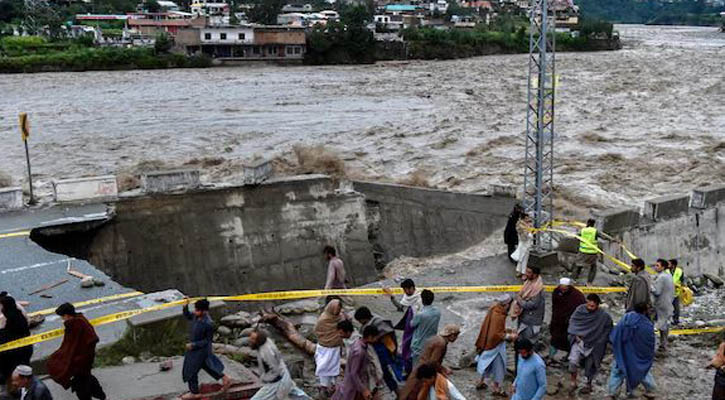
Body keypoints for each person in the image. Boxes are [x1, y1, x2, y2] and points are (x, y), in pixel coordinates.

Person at [47, 303, 106, 400]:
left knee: (82, 387)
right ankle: (100, 395)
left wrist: (77, 360)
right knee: (87, 380)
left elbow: (88, 341)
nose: (63, 319)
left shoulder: (76, 325)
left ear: (66, 315)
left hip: (81, 363)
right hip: (82, 363)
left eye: (63, 317)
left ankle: (99, 395)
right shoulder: (78, 322)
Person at [181, 299, 231, 398]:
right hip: (195, 350)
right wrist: (185, 306)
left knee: (191, 369)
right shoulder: (196, 316)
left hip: (200, 350)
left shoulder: (208, 324)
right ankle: (225, 378)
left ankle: (194, 393)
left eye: (197, 310)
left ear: (204, 311)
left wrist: (194, 345)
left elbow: (207, 341)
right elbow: (187, 315)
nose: (195, 312)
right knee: (207, 366)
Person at [607, 302, 657, 399]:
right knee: (642, 371)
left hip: (622, 352)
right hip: (637, 356)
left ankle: (612, 393)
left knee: (617, 370)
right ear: (645, 311)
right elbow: (649, 344)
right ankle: (651, 390)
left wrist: (617, 346)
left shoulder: (626, 318)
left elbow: (616, 333)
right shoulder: (647, 325)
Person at [566, 294, 613, 395]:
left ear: (597, 305)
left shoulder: (603, 316)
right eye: (588, 305)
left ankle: (588, 384)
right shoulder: (580, 310)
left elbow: (608, 327)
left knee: (590, 366)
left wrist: (601, 340)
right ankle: (573, 382)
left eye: (592, 306)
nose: (589, 307)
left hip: (594, 345)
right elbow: (573, 322)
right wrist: (575, 334)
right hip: (579, 342)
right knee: (572, 362)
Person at [400, 324, 461, 399]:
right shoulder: (441, 344)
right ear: (451, 335)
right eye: (456, 336)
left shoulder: (435, 338)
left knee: (409, 389)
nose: (456, 338)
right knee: (416, 392)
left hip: (419, 367)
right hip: (425, 372)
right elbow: (433, 362)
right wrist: (443, 370)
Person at [354, 307, 404, 394]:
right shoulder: (368, 324)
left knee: (384, 371)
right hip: (374, 351)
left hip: (382, 351)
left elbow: (387, 336)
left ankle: (397, 391)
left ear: (364, 318)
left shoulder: (379, 323)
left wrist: (376, 339)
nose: (360, 323)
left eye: (360, 320)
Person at [475, 294, 516, 397]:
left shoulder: (493, 309)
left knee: (484, 362)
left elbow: (494, 329)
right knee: (499, 366)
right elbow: (497, 334)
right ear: (507, 305)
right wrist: (509, 336)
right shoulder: (499, 316)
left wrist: (505, 331)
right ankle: (496, 388)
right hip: (495, 345)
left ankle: (480, 382)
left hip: (486, 342)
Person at [250, 329, 309, 400]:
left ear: (258, 341)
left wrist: (266, 380)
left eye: (253, 339)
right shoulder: (267, 341)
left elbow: (275, 371)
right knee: (296, 394)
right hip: (284, 373)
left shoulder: (266, 352)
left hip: (277, 381)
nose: (250, 340)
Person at [385, 279, 423, 373]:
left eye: (407, 289)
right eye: (404, 290)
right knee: (406, 347)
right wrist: (392, 296)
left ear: (412, 288)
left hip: (417, 327)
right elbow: (400, 307)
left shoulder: (420, 298)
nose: (405, 292)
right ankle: (408, 368)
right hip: (408, 327)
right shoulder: (407, 298)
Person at [314, 300, 350, 396]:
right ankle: (324, 387)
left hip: (335, 348)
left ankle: (333, 386)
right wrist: (327, 338)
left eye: (339, 309)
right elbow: (317, 331)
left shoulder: (340, 317)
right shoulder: (323, 320)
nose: (337, 311)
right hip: (324, 348)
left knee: (334, 367)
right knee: (323, 367)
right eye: (336, 309)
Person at [332, 325, 377, 400]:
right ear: (370, 337)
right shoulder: (359, 352)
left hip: (355, 383)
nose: (376, 340)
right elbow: (354, 373)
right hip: (353, 386)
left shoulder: (359, 344)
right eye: (375, 337)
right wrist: (364, 390)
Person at [549, 277, 586, 357]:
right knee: (555, 339)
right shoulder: (556, 292)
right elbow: (555, 306)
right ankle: (551, 356)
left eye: (564, 289)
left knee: (569, 341)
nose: (563, 291)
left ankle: (568, 356)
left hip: (569, 323)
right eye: (561, 289)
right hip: (557, 322)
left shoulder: (576, 295)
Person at [0, 296, 33, 384]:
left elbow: (8, 335)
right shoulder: (18, 314)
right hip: (24, 349)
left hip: (15, 353)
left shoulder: (10, 319)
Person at [510, 267, 545, 346]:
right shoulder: (528, 283)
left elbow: (532, 304)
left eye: (529, 272)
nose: (526, 274)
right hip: (524, 318)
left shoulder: (537, 288)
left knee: (529, 343)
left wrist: (519, 300)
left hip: (531, 322)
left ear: (535, 275)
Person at [409, 290, 440, 368]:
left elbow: (411, 324)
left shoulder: (420, 314)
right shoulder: (437, 312)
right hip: (431, 343)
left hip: (418, 345)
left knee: (416, 368)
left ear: (422, 300)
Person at [652, 259, 674, 352]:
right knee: (664, 324)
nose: (655, 267)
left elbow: (657, 291)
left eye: (657, 265)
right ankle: (663, 344)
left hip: (661, 303)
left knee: (659, 325)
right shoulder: (668, 276)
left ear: (663, 267)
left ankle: (658, 344)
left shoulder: (662, 277)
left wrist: (650, 286)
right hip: (668, 302)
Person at [574, 219, 600, 285]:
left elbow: (576, 237)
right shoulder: (595, 231)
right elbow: (604, 237)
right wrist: (613, 240)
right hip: (592, 253)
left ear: (587, 223)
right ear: (594, 224)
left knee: (578, 266)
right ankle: (589, 283)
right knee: (593, 267)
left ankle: (574, 280)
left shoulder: (582, 230)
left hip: (582, 252)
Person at [668, 259, 684, 325]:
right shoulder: (666, 271)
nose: (668, 265)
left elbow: (682, 281)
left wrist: (679, 286)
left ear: (673, 265)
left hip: (675, 292)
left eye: (669, 264)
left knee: (676, 308)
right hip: (667, 292)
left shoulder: (679, 271)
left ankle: (675, 320)